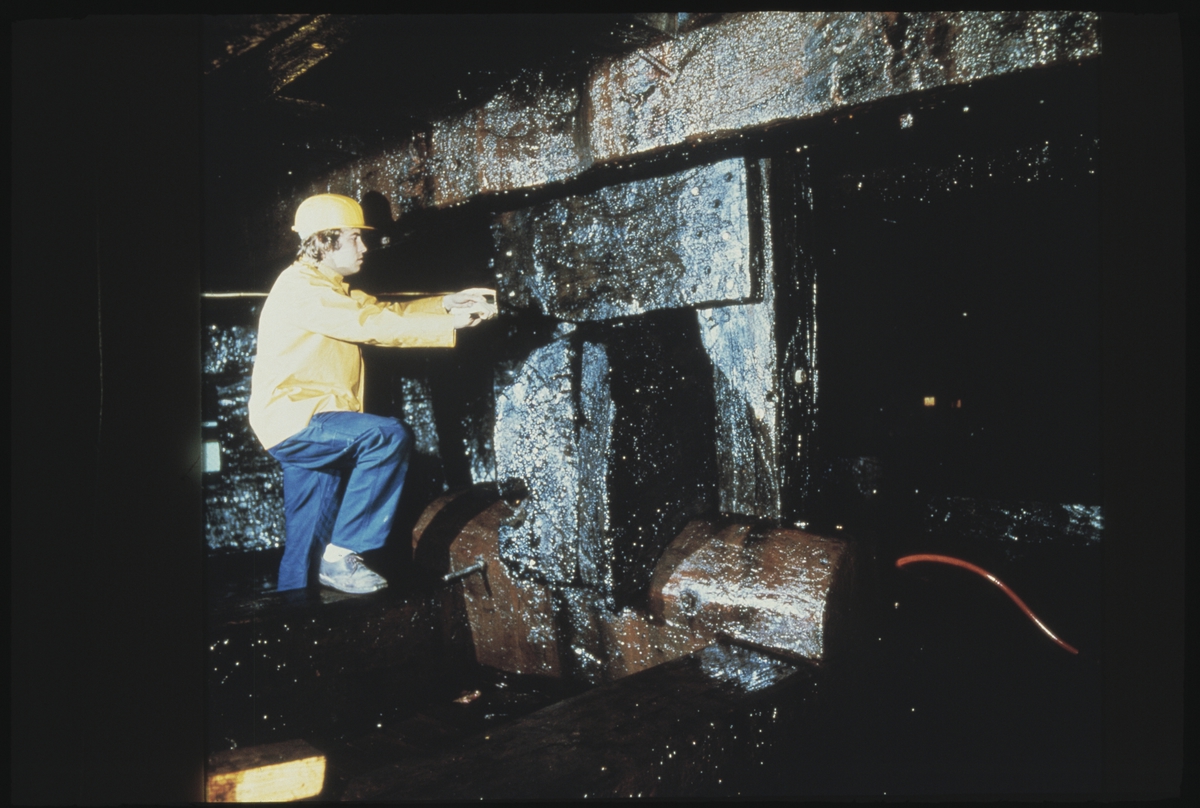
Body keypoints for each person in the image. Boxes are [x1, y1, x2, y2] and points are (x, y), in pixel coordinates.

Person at [248, 193, 496, 595]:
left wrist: (445, 306)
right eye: (354, 238)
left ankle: (294, 614)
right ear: (324, 241)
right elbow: (369, 325)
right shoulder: (302, 289)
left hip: (306, 421)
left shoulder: (329, 287)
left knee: (303, 550)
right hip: (300, 419)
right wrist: (448, 325)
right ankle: (344, 553)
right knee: (386, 437)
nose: (364, 247)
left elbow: (385, 312)